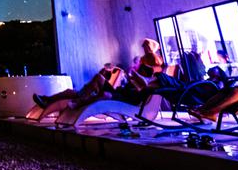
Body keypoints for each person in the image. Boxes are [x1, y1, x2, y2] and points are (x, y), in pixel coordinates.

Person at [32, 39, 165, 117]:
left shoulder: (154, 71)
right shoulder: (143, 66)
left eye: (146, 47)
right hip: (121, 92)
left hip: (127, 98)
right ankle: (48, 99)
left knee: (99, 92)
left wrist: (132, 75)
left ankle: (79, 99)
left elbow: (143, 85)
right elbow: (134, 81)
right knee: (93, 79)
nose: (144, 49)